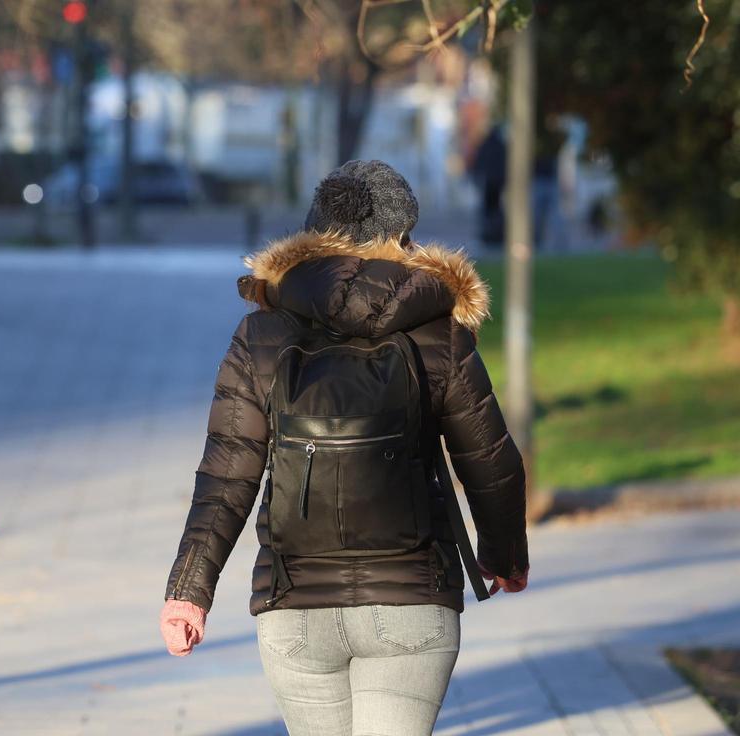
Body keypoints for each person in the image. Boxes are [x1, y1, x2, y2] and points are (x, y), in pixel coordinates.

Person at [160, 161, 529, 735]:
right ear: (403, 239)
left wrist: (188, 591)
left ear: (312, 236)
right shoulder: (439, 334)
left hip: (293, 606)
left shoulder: (261, 335)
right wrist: (504, 555)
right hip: (413, 602)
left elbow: (227, 474)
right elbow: (491, 462)